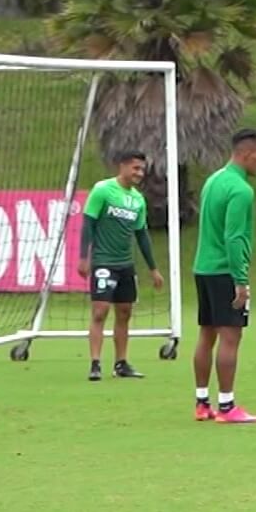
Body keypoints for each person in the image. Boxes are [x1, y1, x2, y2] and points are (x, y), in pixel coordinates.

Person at [193, 128, 256, 423]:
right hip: (225, 270)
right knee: (230, 336)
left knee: (206, 334)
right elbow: (234, 237)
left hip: (203, 268)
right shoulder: (241, 190)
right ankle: (226, 406)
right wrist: (241, 279)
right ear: (246, 155)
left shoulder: (213, 181)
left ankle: (202, 403)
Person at [78, 151, 164, 381]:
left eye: (142, 169)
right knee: (100, 311)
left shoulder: (137, 200)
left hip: (126, 264)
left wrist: (153, 268)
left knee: (124, 312)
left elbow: (141, 234)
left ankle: (121, 363)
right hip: (103, 261)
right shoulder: (103, 190)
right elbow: (88, 223)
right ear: (122, 166)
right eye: (135, 168)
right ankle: (95, 363)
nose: (139, 173)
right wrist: (84, 257)